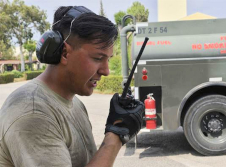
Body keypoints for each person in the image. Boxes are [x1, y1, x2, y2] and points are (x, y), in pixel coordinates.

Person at [0, 6, 144, 167]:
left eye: (108, 59)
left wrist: (117, 127)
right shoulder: (33, 113)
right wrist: (115, 136)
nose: (106, 71)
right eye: (98, 58)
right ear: (64, 53)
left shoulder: (75, 104)